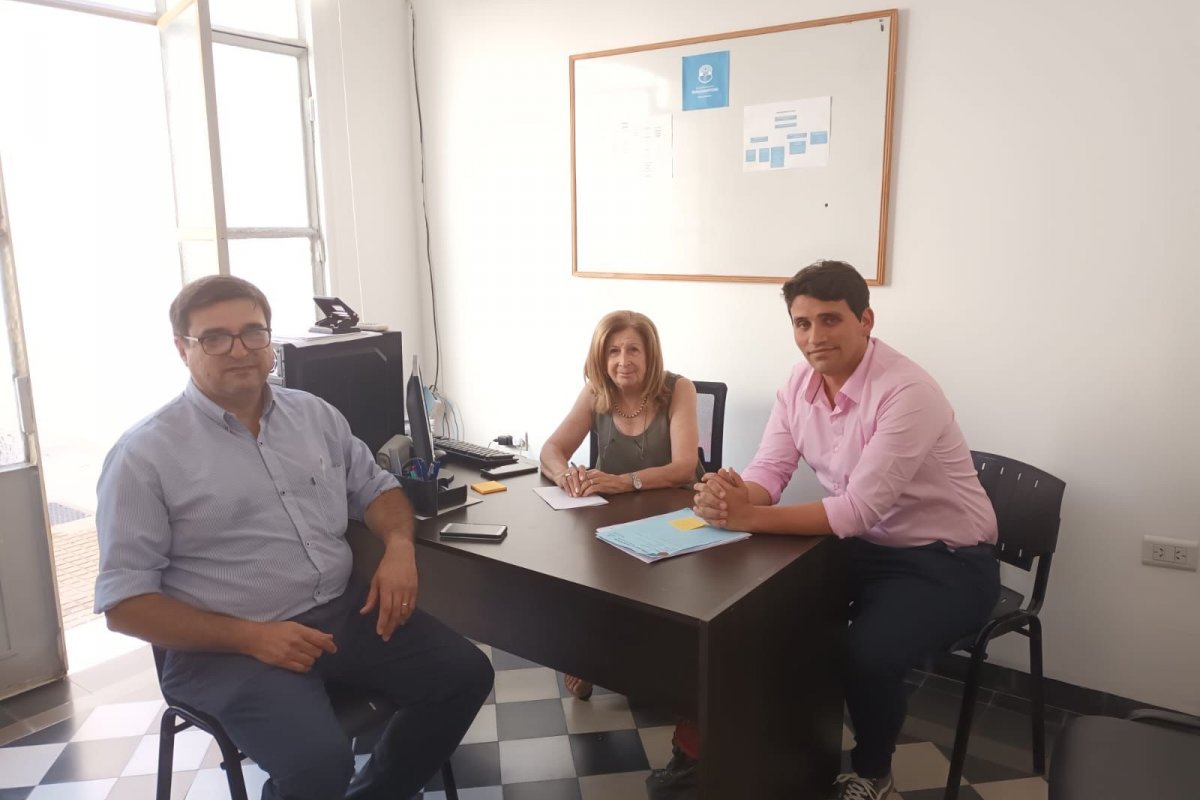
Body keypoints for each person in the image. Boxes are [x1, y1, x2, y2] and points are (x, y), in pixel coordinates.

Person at [93, 276, 493, 800]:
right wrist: (251, 637)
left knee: (464, 674)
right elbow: (125, 606)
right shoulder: (143, 456)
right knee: (318, 764)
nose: (239, 349)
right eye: (215, 338)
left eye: (252, 332)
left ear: (269, 339)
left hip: (340, 614)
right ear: (182, 349)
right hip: (224, 648)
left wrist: (399, 548)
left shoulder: (313, 415)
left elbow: (379, 491)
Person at [692, 260, 999, 800]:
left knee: (868, 653)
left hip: (947, 562)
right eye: (802, 323)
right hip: (860, 548)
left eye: (830, 320)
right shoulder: (797, 383)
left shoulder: (907, 391)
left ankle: (874, 771)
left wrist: (746, 516)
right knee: (760, 610)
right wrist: (733, 496)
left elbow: (857, 509)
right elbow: (771, 470)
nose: (815, 337)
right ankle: (779, 753)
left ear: (865, 320)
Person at [539, 310, 702, 701]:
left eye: (633, 350)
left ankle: (665, 669)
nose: (622, 361)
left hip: (677, 516)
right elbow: (552, 449)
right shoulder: (597, 392)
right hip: (613, 517)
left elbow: (684, 467)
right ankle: (592, 653)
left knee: (664, 588)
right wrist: (565, 476)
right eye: (613, 351)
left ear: (650, 355)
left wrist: (626, 482)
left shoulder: (679, 389)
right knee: (587, 569)